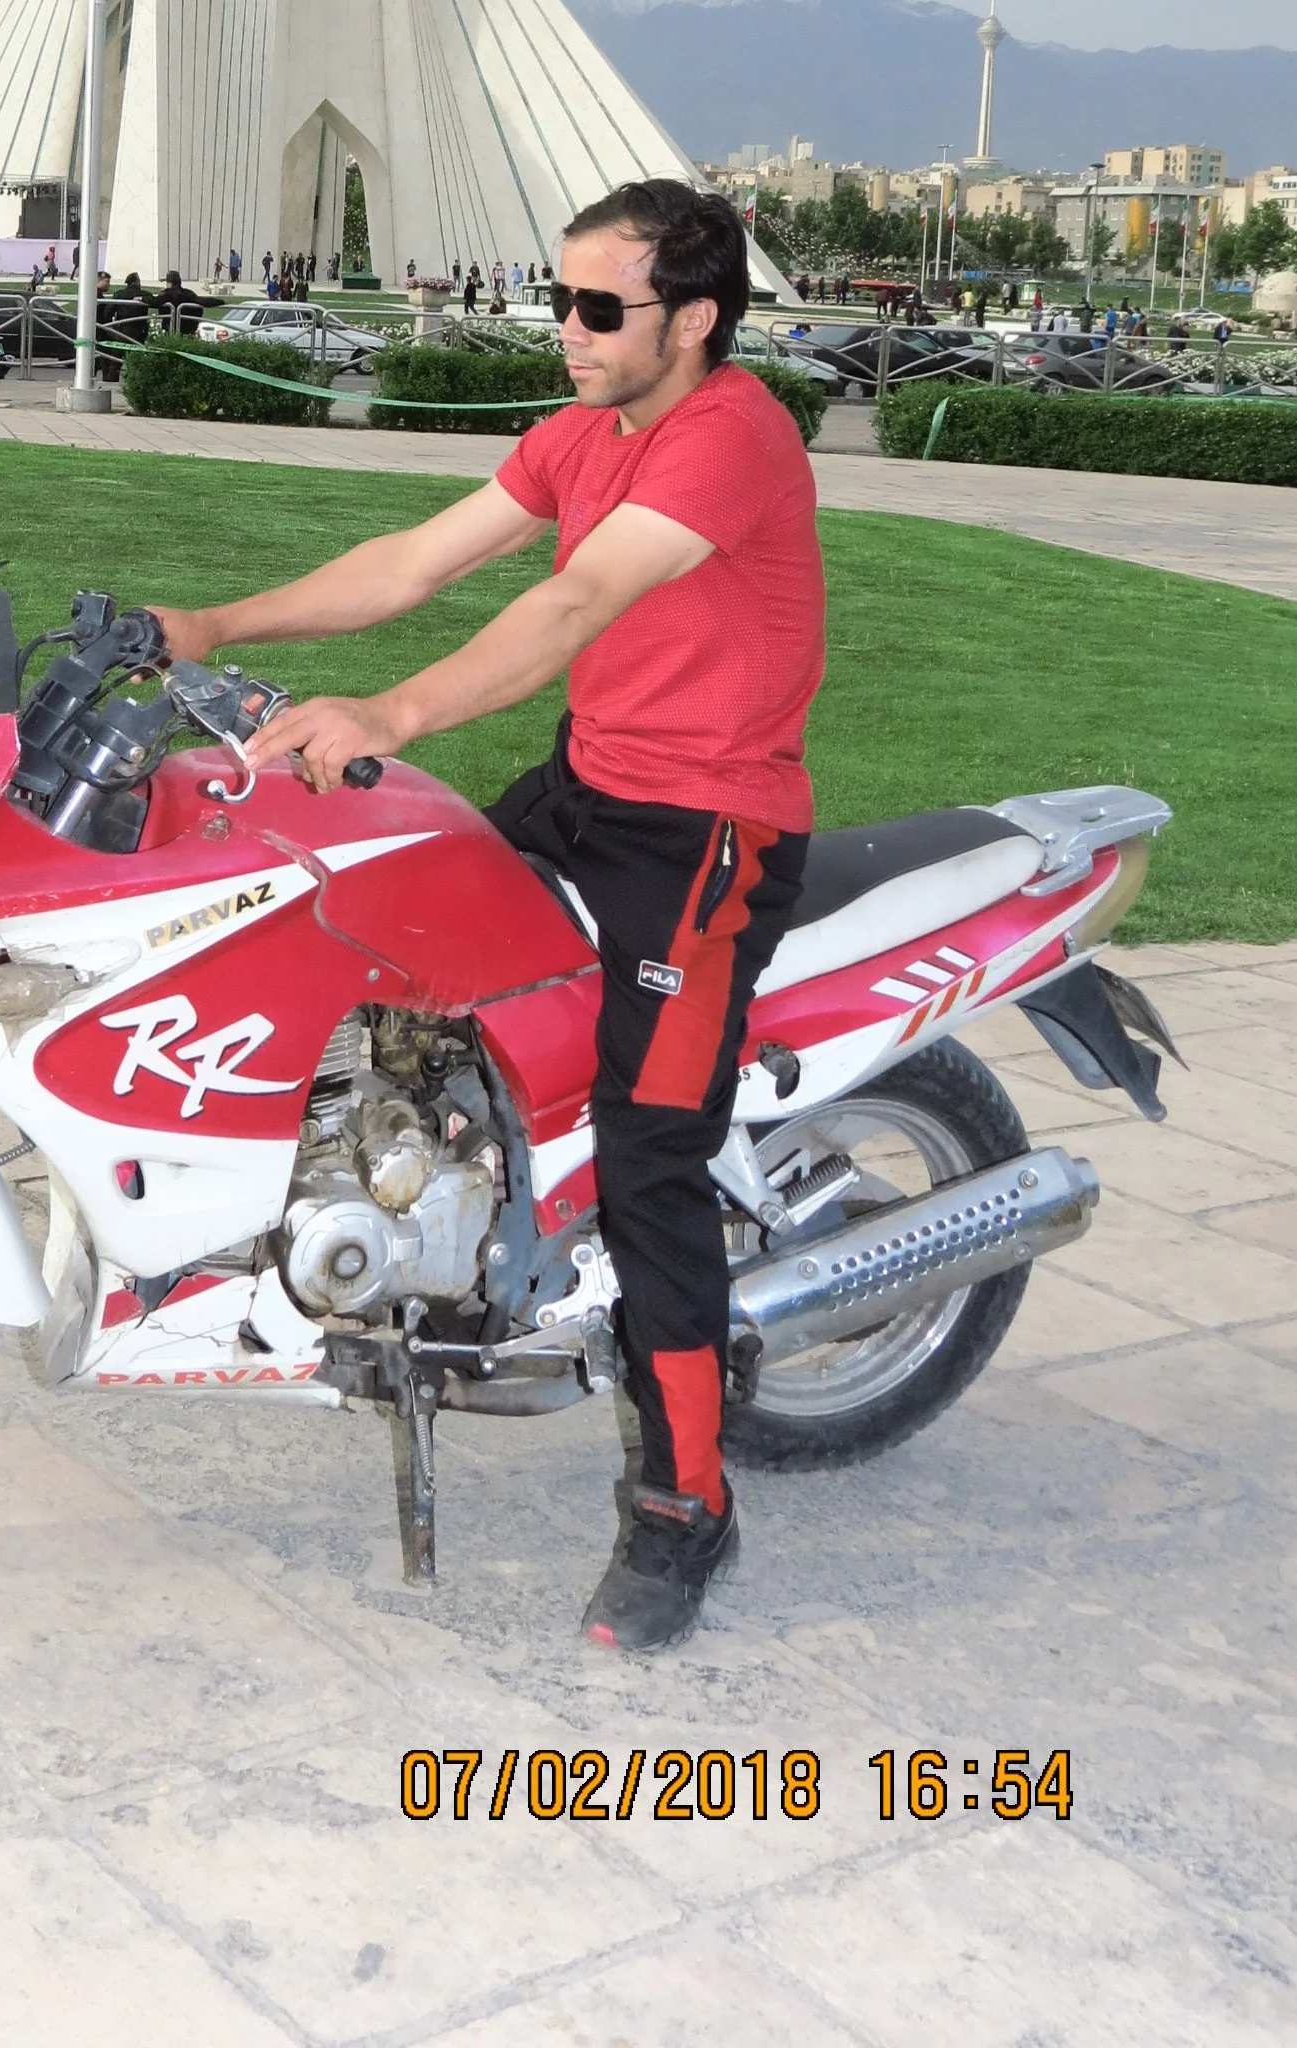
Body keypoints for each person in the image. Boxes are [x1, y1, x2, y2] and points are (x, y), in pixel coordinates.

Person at [148, 179, 823, 1654]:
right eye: (556, 300)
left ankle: (685, 1505)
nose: (566, 332)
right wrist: (213, 627)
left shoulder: (732, 437)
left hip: (705, 833)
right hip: (591, 784)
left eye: (598, 310)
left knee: (655, 1156)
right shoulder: (588, 431)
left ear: (694, 320)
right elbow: (414, 564)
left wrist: (390, 710)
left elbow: (571, 607)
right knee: (395, 954)